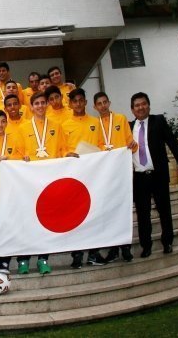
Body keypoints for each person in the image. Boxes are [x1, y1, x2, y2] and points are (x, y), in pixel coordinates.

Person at [130, 92, 178, 258]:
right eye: (137, 105)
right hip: (139, 178)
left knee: (164, 210)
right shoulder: (128, 127)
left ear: (148, 105)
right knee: (143, 214)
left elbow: (172, 141)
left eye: (143, 104)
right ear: (132, 110)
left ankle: (167, 241)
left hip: (158, 175)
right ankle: (146, 246)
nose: (140, 107)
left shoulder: (159, 121)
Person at [19, 91, 65, 275]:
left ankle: (43, 259)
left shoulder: (57, 126)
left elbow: (62, 150)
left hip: (49, 181)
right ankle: (23, 260)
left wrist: (68, 157)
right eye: (36, 103)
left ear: (47, 105)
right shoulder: (22, 128)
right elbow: (17, 153)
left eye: (42, 103)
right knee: (27, 221)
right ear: (31, 107)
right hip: (29, 182)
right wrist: (22, 158)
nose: (39, 106)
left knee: (45, 221)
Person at [61, 88, 106, 268]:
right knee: (75, 215)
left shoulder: (96, 122)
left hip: (93, 175)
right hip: (73, 174)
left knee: (93, 214)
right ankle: (77, 255)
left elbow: (102, 144)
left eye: (81, 100)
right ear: (70, 104)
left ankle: (93, 254)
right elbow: (61, 148)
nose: (78, 104)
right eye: (75, 101)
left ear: (86, 102)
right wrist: (67, 153)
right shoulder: (64, 125)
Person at [92, 91, 138, 263]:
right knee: (109, 211)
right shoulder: (95, 124)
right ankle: (113, 249)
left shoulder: (120, 119)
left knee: (123, 208)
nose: (103, 106)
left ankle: (125, 247)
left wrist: (133, 146)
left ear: (109, 103)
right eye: (99, 103)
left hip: (121, 170)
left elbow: (130, 142)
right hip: (105, 172)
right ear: (95, 107)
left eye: (105, 102)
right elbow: (96, 147)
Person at [0, 110, 26, 274]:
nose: (0, 125)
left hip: (8, 192)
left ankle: (5, 262)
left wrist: (10, 160)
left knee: (7, 228)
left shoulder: (14, 140)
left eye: (3, 121)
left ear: (6, 123)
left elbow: (23, 159)